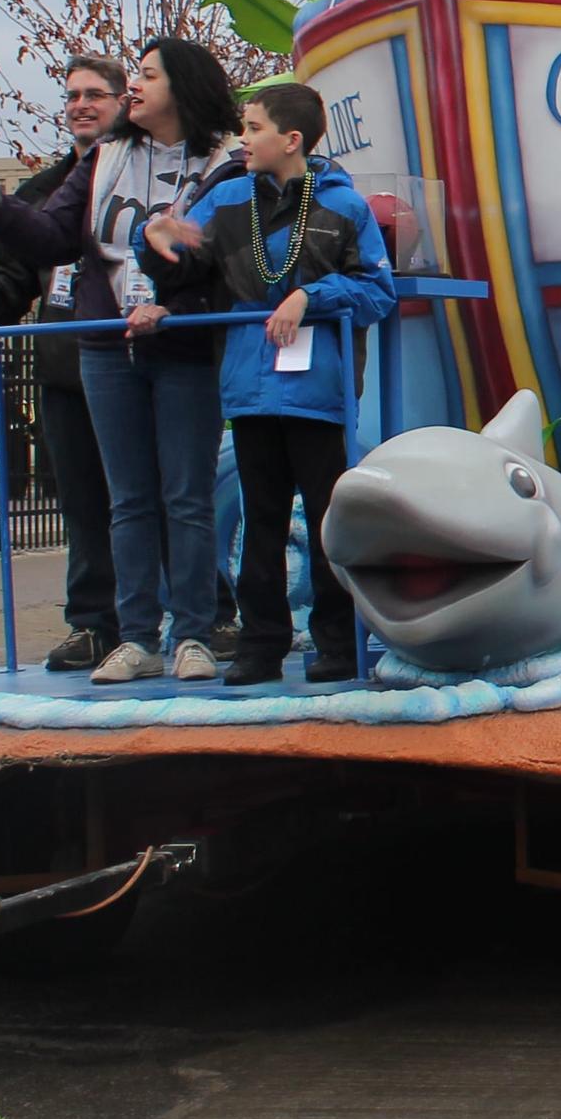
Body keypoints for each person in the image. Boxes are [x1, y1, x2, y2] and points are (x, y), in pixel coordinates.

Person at [0, 34, 241, 683]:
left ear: (181, 87)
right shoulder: (103, 159)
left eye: (148, 76)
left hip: (183, 347)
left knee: (183, 498)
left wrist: (171, 295)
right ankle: (133, 638)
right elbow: (48, 238)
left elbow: (221, 262)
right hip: (102, 347)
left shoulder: (223, 163)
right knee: (125, 501)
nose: (137, 87)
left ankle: (193, 633)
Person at [164, 81, 396, 684]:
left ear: (291, 140)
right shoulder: (228, 199)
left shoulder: (345, 207)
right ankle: (259, 645)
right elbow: (182, 261)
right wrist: (156, 242)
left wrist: (309, 296)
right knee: (260, 522)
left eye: (255, 128)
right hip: (251, 388)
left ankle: (339, 642)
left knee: (327, 520)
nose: (243, 140)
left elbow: (377, 291)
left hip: (318, 393)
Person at [0, 52, 127, 670]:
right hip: (66, 373)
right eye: (72, 95)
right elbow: (8, 271)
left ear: (124, 103)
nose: (81, 104)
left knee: (155, 499)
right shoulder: (43, 192)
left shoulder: (145, 177)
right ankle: (93, 623)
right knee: (82, 504)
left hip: (137, 369)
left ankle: (195, 616)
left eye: (95, 94)